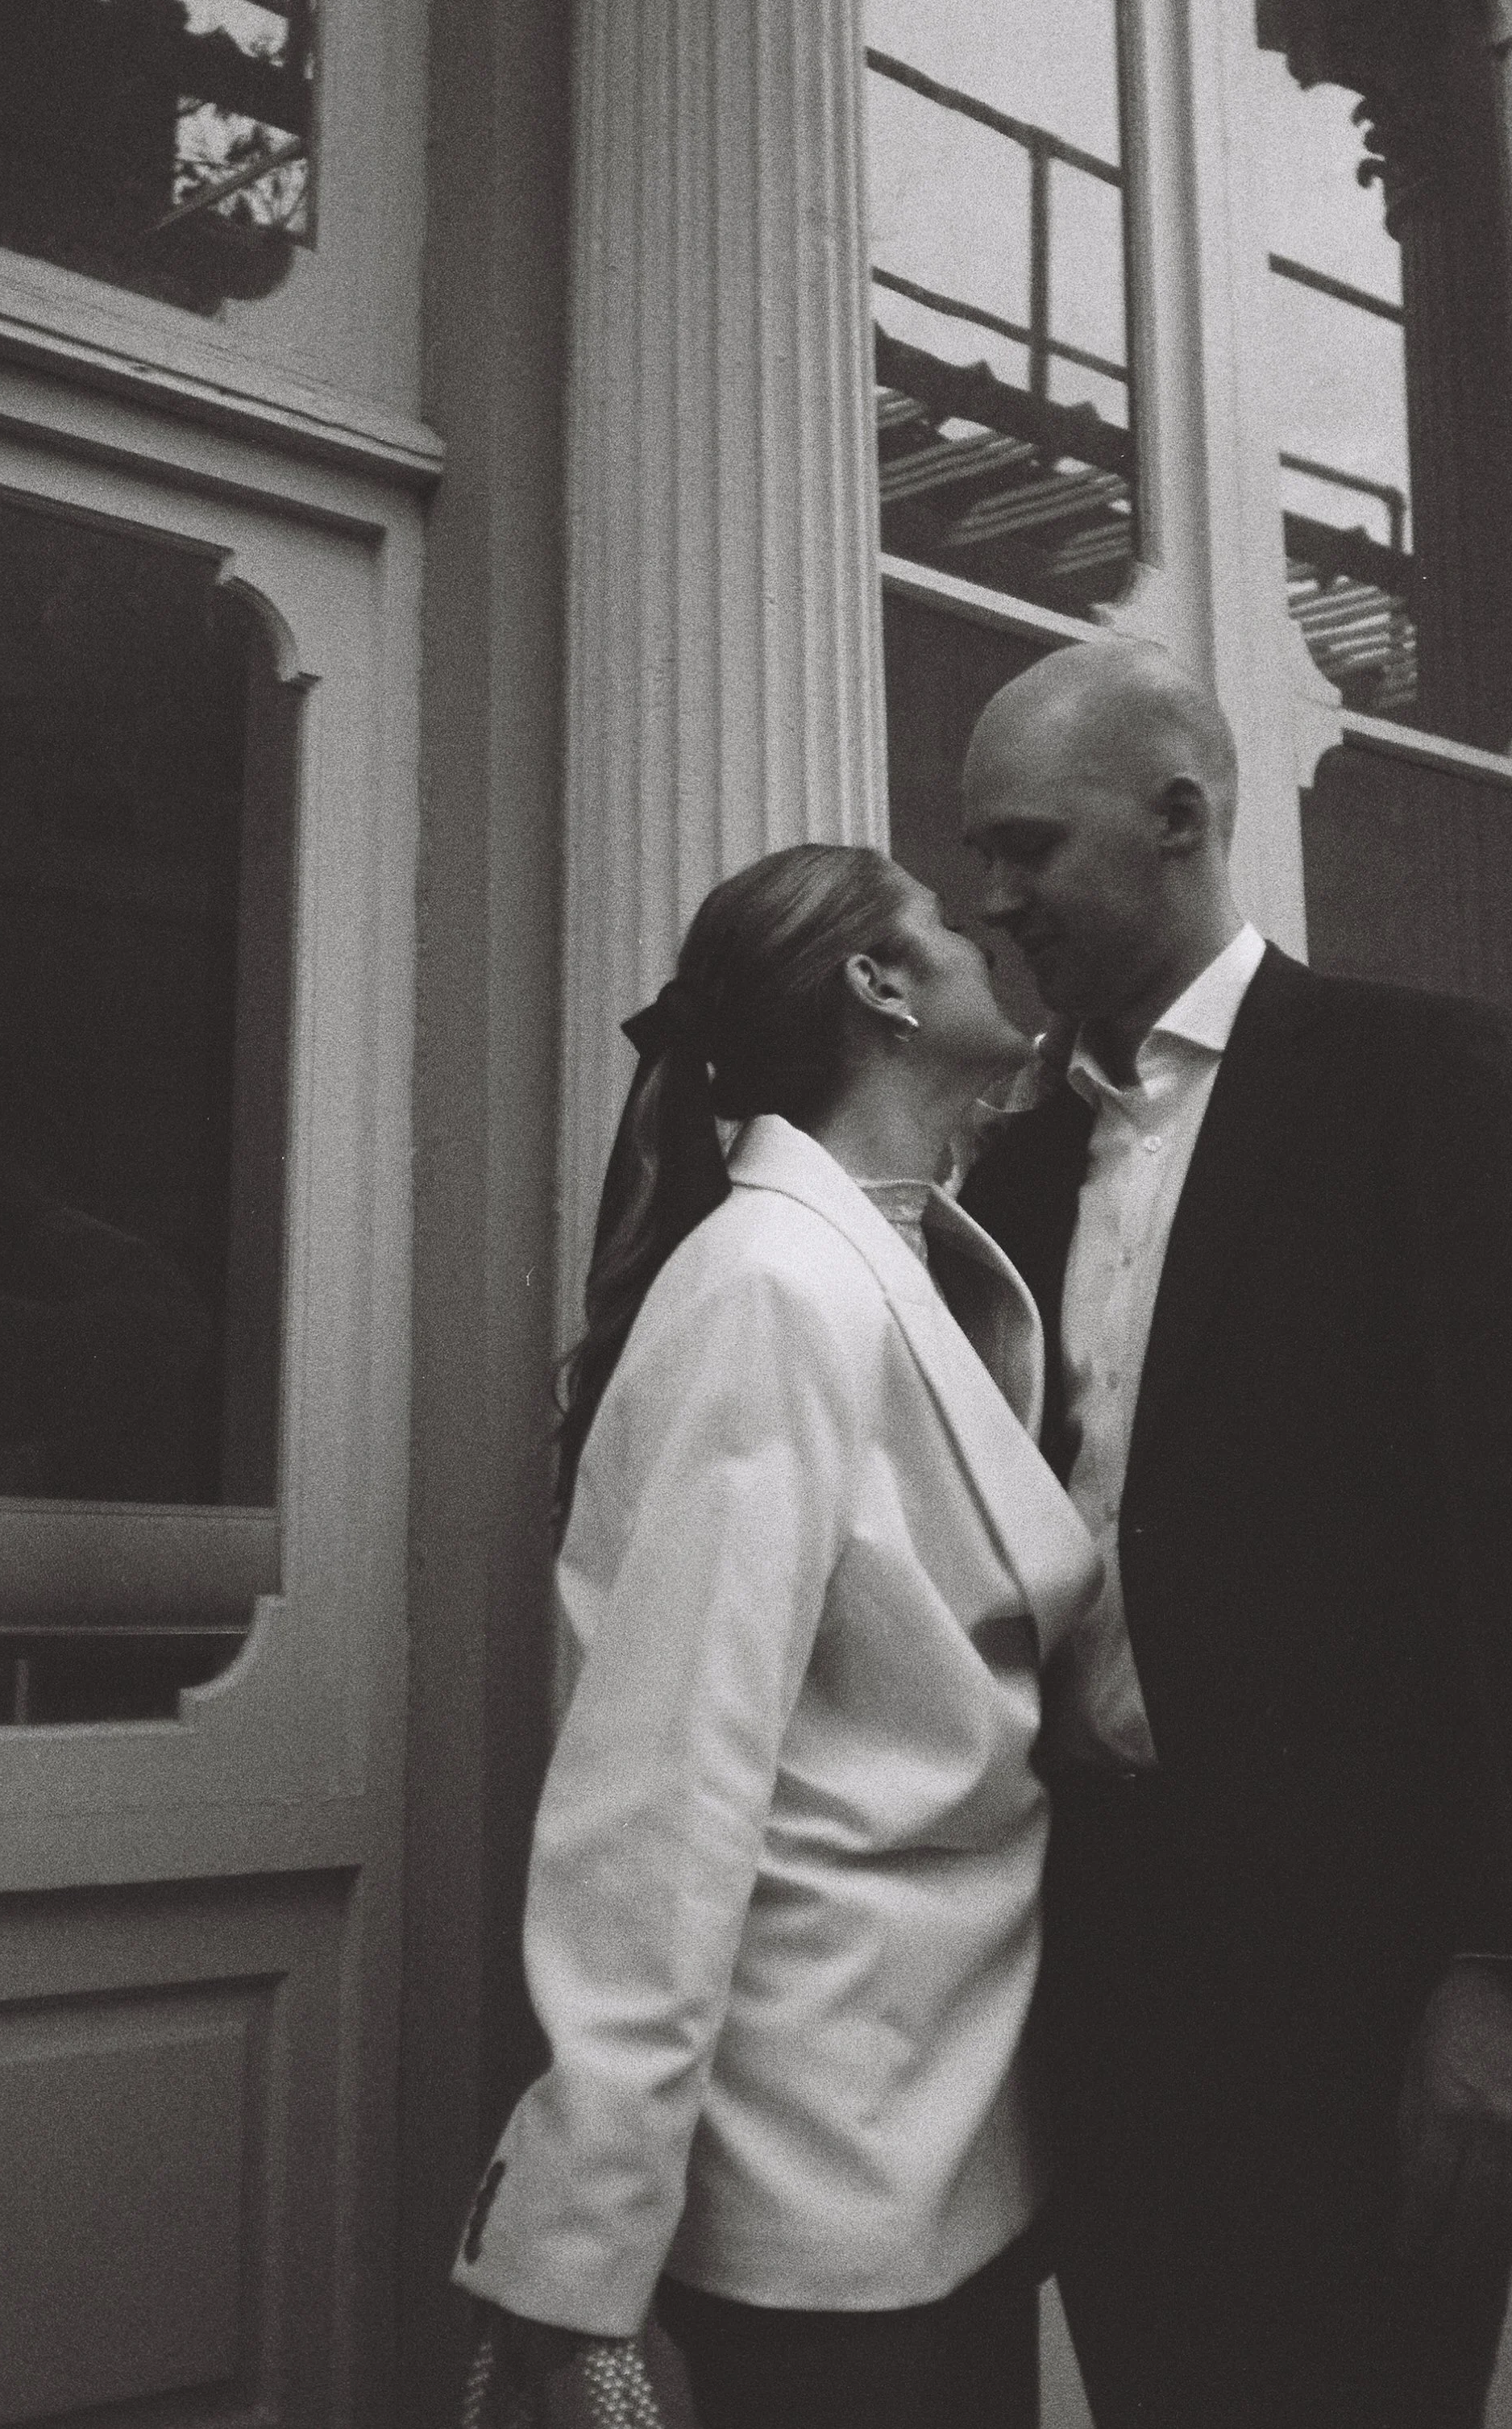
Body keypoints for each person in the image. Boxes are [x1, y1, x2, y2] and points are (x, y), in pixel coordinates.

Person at [453, 842, 1102, 2429]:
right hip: (820, 2164)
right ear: (880, 987)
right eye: (938, 921)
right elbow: (663, 1783)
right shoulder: (770, 1288)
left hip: (951, 2130)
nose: (982, 932)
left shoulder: (896, 1261)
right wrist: (579, 2247)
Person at [957, 637, 1512, 2429]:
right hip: (1104, 1977)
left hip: (1378, 1993)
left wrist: (1494, 1971)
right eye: (979, 854)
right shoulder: (1008, 1171)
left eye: (1028, 845)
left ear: (1182, 818)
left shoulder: (1423, 1082)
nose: (991, 897)